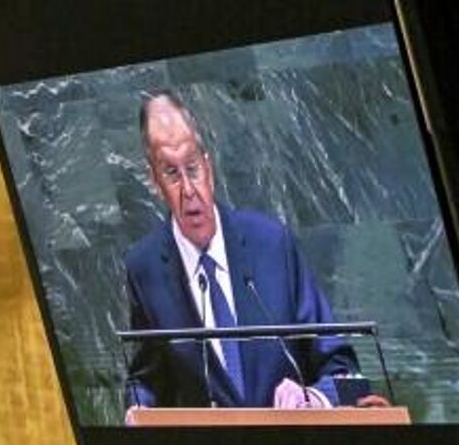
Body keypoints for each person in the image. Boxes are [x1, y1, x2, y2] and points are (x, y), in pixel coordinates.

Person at [123, 92, 359, 418]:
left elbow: (340, 363)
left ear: (208, 166)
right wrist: (138, 410)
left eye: (193, 168)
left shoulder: (271, 243)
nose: (189, 190)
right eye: (172, 173)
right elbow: (146, 381)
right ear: (154, 181)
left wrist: (313, 399)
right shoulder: (144, 267)